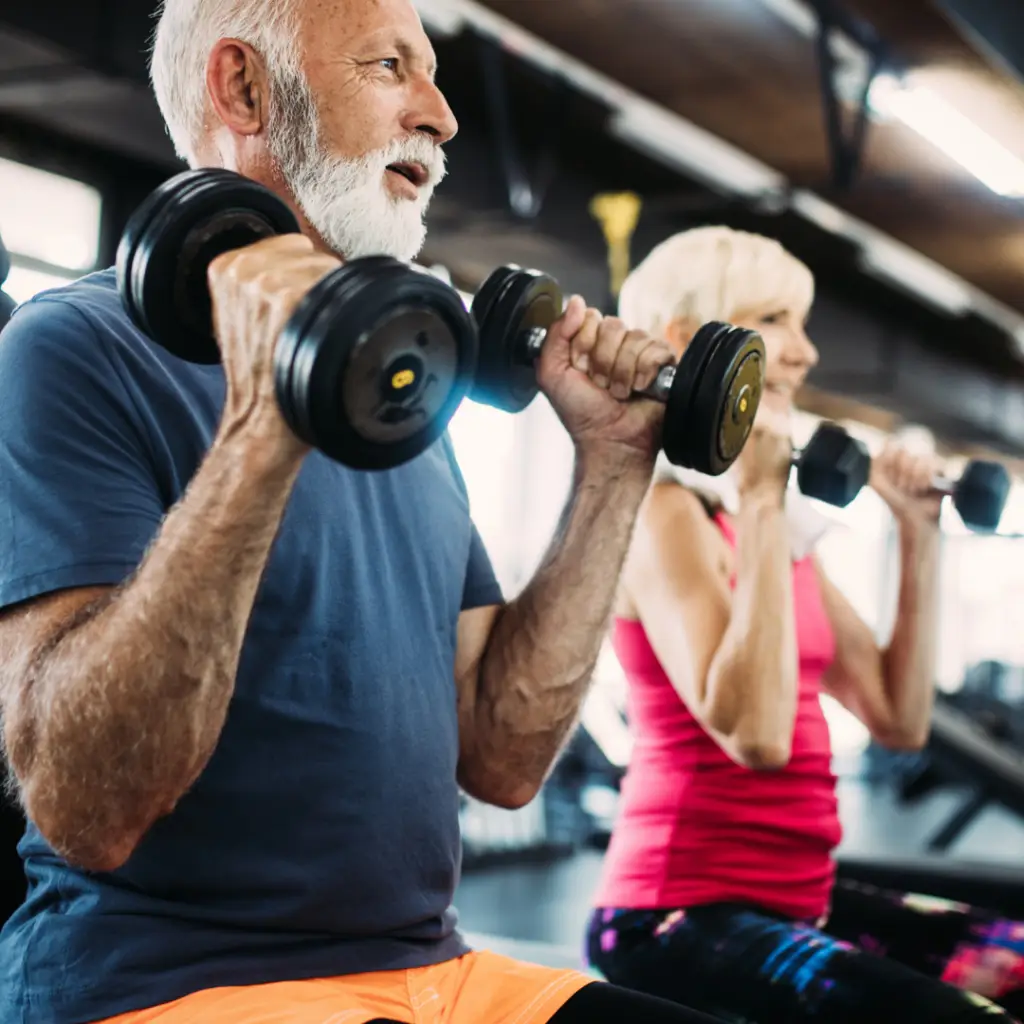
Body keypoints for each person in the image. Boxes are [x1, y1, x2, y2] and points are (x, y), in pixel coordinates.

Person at [0, 2, 732, 1023]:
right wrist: (264, 424)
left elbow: (504, 757)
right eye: (391, 65)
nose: (440, 115)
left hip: (436, 974)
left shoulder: (401, 397)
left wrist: (614, 462)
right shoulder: (73, 348)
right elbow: (87, 809)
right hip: (171, 983)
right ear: (244, 89)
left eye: (431, 75)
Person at [584, 226, 1024, 1024]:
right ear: (693, 342)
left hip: (799, 898)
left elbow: (898, 721)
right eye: (778, 319)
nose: (806, 353)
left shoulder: (777, 540)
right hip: (673, 916)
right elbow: (755, 735)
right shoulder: (665, 513)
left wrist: (920, 536)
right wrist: (759, 496)